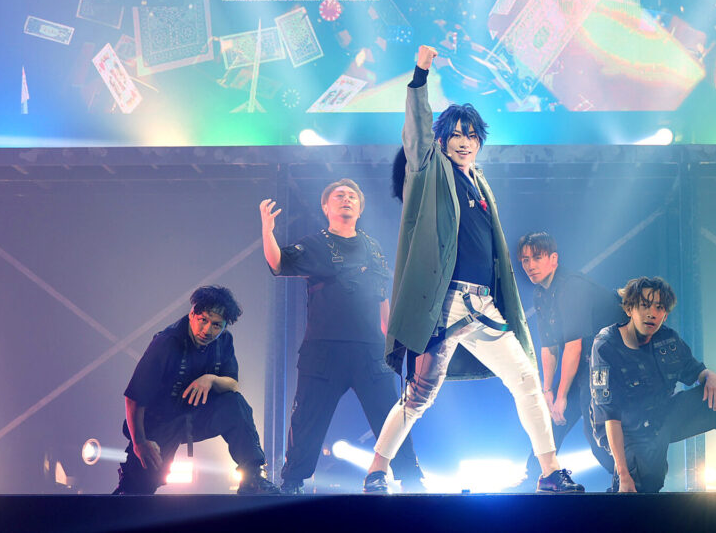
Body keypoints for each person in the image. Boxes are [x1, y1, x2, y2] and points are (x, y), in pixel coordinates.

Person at [363, 45, 582, 494]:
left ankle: (549, 472)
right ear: (442, 140)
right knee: (418, 395)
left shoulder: (480, 183)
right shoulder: (430, 170)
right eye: (456, 135)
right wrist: (420, 75)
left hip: (482, 307)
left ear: (479, 142)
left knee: (526, 380)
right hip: (443, 306)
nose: (464, 141)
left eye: (471, 135)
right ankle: (377, 471)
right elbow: (416, 134)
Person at [259, 180, 424, 494]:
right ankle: (292, 481)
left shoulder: (373, 247)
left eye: (352, 196)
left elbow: (381, 296)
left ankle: (410, 476)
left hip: (370, 350)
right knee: (307, 417)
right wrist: (268, 231)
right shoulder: (315, 244)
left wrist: (393, 339)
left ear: (360, 208)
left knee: (390, 413)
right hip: (323, 349)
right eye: (339, 196)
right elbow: (278, 263)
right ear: (326, 207)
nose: (346, 199)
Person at [589, 276, 716, 493]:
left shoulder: (667, 339)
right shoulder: (606, 346)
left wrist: (709, 375)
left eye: (659, 308)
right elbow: (609, 416)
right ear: (629, 309)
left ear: (665, 315)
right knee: (639, 488)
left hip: (662, 413)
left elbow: (693, 369)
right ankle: (623, 485)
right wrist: (623, 473)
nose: (652, 313)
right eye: (644, 305)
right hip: (626, 429)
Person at [113, 286, 279, 495]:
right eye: (203, 320)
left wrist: (210, 379)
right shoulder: (167, 342)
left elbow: (232, 384)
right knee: (136, 491)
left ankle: (252, 478)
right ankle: (126, 488)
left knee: (234, 403)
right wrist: (140, 442)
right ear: (192, 314)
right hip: (158, 422)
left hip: (195, 417)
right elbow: (134, 397)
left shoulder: (224, 341)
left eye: (216, 325)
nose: (207, 330)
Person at [517, 232, 618, 488]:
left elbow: (574, 346)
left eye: (537, 258)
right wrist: (548, 392)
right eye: (525, 260)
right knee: (549, 422)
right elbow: (549, 347)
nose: (530, 265)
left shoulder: (571, 287)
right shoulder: (541, 294)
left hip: (608, 364)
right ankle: (537, 479)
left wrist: (562, 395)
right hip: (584, 363)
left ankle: (628, 481)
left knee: (594, 432)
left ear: (553, 259)